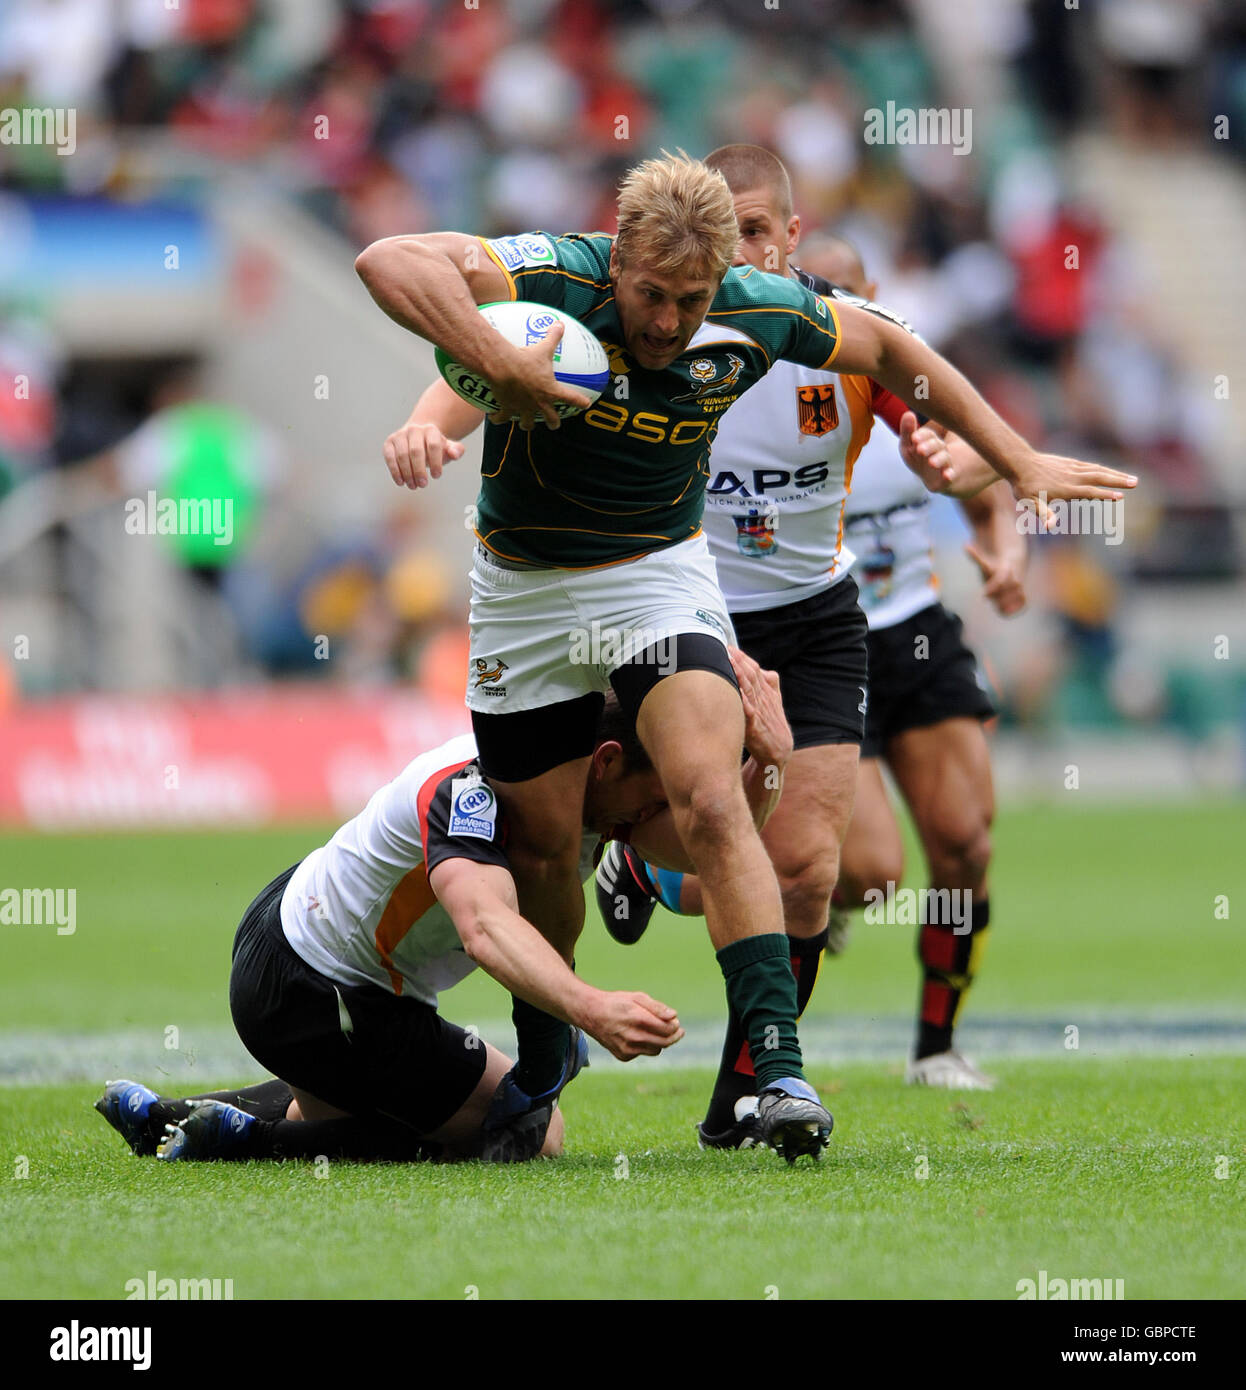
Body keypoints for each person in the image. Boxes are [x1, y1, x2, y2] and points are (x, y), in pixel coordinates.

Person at [357, 150, 1134, 1159]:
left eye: (691, 300)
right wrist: (492, 362)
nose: (668, 321)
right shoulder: (556, 274)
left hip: (660, 573)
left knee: (715, 798)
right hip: (525, 589)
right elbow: (389, 260)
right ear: (619, 257)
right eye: (650, 294)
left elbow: (893, 349)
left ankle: (776, 1072)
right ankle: (545, 1056)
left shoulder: (759, 310)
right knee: (543, 849)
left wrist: (1017, 459)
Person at [591, 146, 1017, 1141]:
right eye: (721, 231)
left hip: (837, 620)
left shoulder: (853, 345)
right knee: (739, 841)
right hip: (699, 615)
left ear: (790, 235)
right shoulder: (664, 332)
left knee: (830, 873)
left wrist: (974, 480)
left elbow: (955, 444)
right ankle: (637, 882)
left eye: (754, 231)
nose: (737, 252)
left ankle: (757, 1091)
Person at [94, 649, 789, 1163]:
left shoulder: (591, 798)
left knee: (357, 1099)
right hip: (318, 985)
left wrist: (771, 761)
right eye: (655, 797)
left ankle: (179, 1117)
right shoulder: (474, 790)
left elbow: (712, 855)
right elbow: (484, 926)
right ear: (606, 762)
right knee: (535, 1137)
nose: (655, 813)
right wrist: (588, 1007)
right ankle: (248, 1143)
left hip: (311, 950)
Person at [797, 232, 1026, 1089]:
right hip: (821, 638)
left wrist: (1007, 556)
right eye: (820, 301)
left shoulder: (911, 397)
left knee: (964, 843)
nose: (838, 320)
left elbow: (988, 483)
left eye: (851, 299)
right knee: (863, 874)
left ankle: (936, 1047)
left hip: (915, 631)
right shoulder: (776, 408)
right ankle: (660, 873)